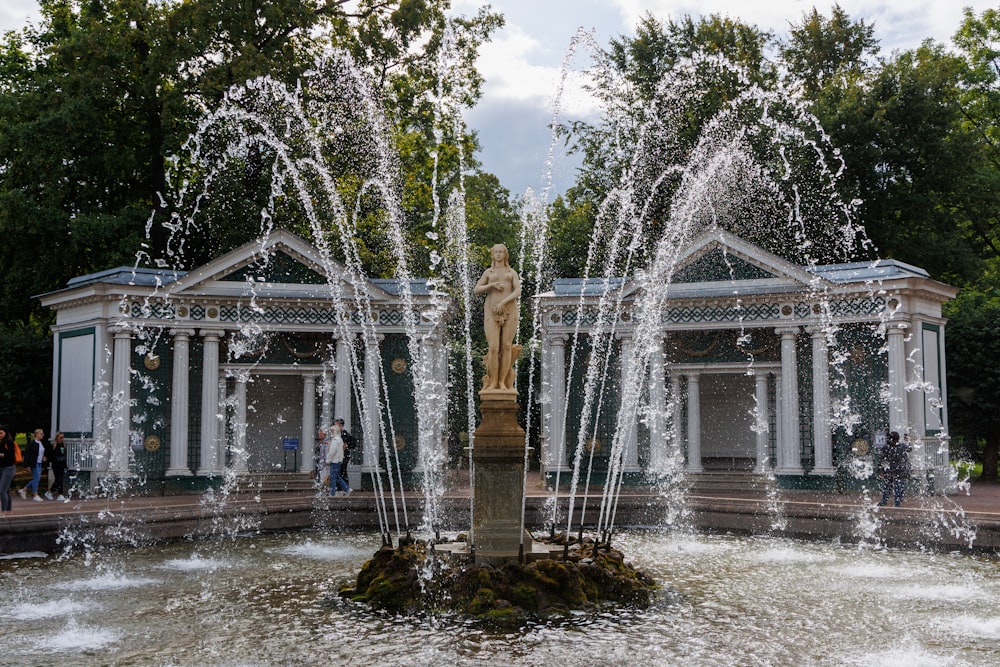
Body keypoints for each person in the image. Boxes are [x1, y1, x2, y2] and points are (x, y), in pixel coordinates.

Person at [473, 243, 521, 391]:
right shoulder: (489, 272)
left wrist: (504, 302)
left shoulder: (511, 272)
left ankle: (502, 382)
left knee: (506, 346)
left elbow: (518, 290)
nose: (498, 254)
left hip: (510, 309)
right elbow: (476, 289)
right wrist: (491, 285)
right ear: (493, 255)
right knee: (493, 347)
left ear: (505, 255)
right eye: (496, 252)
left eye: (501, 252)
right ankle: (493, 381)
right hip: (491, 310)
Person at [878, 431, 912, 507]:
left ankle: (884, 501)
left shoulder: (886, 447)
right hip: (901, 470)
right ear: (898, 439)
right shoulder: (902, 446)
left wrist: (881, 470)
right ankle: (897, 502)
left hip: (890, 469)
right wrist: (909, 441)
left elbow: (881, 459)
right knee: (899, 486)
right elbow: (910, 449)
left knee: (887, 486)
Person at [17, 428, 49, 502]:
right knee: (36, 478)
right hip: (34, 463)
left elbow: (40, 452)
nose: (42, 435)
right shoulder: (32, 443)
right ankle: (35, 494)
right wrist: (27, 465)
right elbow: (28, 454)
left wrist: (43, 457)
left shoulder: (40, 443)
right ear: (36, 434)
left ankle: (24, 489)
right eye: (41, 434)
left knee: (37, 478)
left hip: (39, 462)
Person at [325, 429, 351, 497]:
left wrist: (328, 460)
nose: (330, 433)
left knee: (333, 478)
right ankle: (347, 488)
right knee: (337, 476)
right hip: (338, 460)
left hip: (334, 461)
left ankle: (333, 493)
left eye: (331, 431)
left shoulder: (335, 440)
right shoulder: (339, 439)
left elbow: (332, 451)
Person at [333, 418, 355, 489]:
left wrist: (347, 445)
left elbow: (353, 444)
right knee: (338, 471)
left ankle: (344, 487)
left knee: (342, 471)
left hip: (343, 456)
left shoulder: (345, 434)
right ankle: (339, 487)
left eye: (336, 425)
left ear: (340, 425)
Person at [0, 426, 16, 516]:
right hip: (1, 468)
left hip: (8, 468)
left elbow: (11, 455)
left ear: (5, 433)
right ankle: (8, 510)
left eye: (1, 433)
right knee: (6, 490)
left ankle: (4, 511)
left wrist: (2, 455)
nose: (0, 435)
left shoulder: (9, 442)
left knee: (2, 490)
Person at [48, 431, 68, 501]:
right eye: (60, 437)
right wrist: (54, 460)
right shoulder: (53, 446)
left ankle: (59, 493)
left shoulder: (64, 445)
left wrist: (65, 464)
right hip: (56, 464)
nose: (62, 439)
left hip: (62, 464)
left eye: (63, 437)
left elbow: (64, 455)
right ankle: (54, 492)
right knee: (58, 479)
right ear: (57, 438)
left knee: (60, 479)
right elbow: (50, 456)